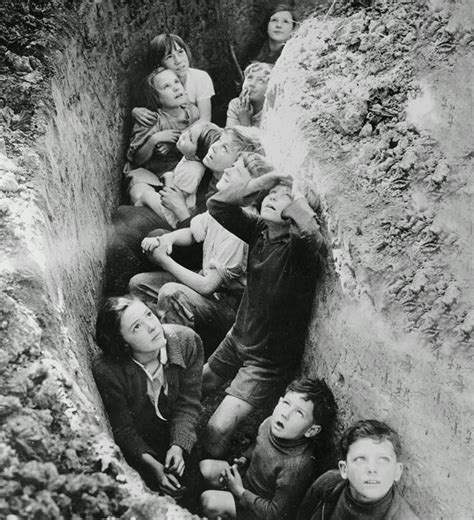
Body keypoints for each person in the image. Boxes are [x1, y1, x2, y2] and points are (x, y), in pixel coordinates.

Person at [202, 171, 326, 458]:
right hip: (238, 337)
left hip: (266, 361)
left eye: (284, 197)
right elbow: (217, 205)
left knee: (218, 428)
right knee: (201, 383)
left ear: (296, 212)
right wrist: (262, 182)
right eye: (271, 194)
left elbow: (311, 236)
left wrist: (296, 199)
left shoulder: (298, 252)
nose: (273, 197)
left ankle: (211, 477)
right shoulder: (260, 230)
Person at [128, 152, 274, 357]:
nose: (229, 169)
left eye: (237, 170)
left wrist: (164, 260)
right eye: (232, 165)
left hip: (225, 308)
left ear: (249, 190)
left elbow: (208, 287)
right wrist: (167, 240)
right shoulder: (223, 207)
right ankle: (150, 340)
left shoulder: (240, 229)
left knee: (171, 293)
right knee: (139, 285)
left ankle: (178, 356)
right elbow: (192, 232)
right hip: (205, 290)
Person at [106, 126, 263, 295]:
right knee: (124, 214)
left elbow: (199, 250)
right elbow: (196, 226)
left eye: (224, 148)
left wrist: (180, 210)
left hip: (197, 262)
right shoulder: (208, 171)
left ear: (235, 164)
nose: (215, 146)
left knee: (139, 236)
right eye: (218, 141)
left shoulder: (231, 200)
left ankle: (135, 282)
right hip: (183, 234)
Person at [92, 296, 204, 497]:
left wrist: (178, 446)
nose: (152, 326)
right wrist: (155, 468)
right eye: (137, 327)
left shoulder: (187, 341)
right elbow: (124, 429)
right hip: (141, 442)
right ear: (123, 343)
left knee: (193, 488)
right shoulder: (107, 370)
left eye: (149, 314)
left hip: (175, 429)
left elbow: (188, 405)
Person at [200, 378, 337, 520]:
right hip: (245, 483)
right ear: (279, 402)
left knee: (209, 501)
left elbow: (276, 514)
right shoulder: (270, 423)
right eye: (286, 403)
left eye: (299, 413)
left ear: (312, 430)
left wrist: (239, 492)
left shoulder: (297, 466)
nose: (286, 414)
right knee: (206, 468)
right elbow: (257, 443)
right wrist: (244, 459)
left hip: (260, 510)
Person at [297, 419, 419, 520]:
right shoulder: (328, 485)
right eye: (360, 459)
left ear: (397, 471)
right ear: (344, 469)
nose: (372, 469)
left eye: (383, 460)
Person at [126, 67, 200, 202]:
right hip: (149, 173)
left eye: (176, 82)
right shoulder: (151, 120)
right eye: (166, 86)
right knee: (138, 193)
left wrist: (174, 145)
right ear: (156, 98)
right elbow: (137, 159)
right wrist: (154, 139)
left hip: (177, 171)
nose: (176, 88)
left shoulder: (192, 112)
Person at [133, 120, 220, 229]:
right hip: (172, 204)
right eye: (188, 132)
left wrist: (169, 178)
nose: (184, 136)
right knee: (142, 193)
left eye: (190, 139)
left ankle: (133, 219)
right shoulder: (189, 157)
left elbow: (174, 197)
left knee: (146, 195)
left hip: (173, 215)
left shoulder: (191, 172)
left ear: (198, 156)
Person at [133, 33, 215, 125]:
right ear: (159, 63)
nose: (178, 61)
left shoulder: (200, 78)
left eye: (180, 52)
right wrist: (135, 111)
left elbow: (205, 119)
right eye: (169, 57)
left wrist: (182, 135)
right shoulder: (156, 83)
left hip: (195, 132)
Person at [226, 62, 273, 128]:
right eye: (250, 78)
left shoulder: (272, 110)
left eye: (260, 80)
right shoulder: (236, 104)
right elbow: (229, 136)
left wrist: (245, 121)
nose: (252, 84)